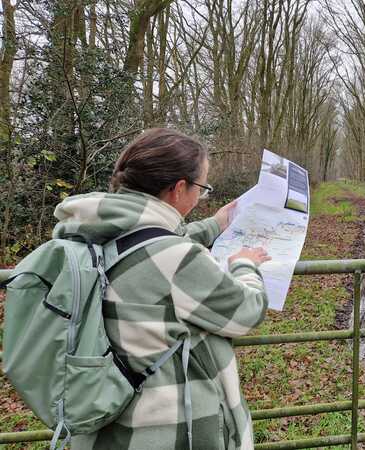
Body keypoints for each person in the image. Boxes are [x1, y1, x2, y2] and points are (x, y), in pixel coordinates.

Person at [54, 128, 269, 449]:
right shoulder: (175, 257)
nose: (201, 196)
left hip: (103, 417)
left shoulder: (92, 230)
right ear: (179, 188)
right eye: (203, 187)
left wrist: (215, 224)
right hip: (164, 429)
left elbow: (145, 242)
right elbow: (247, 311)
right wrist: (245, 264)